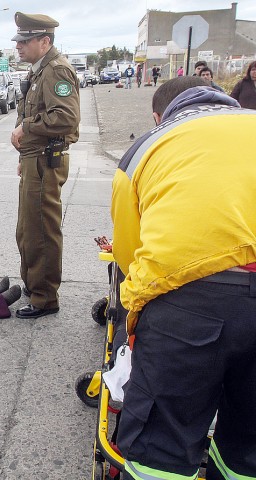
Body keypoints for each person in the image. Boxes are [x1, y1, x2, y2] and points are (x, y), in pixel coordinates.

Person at [111, 76, 256, 479]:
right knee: (249, 453)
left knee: (162, 454)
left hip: (188, 306)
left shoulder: (147, 147)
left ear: (160, 116)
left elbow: (129, 252)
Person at [10, 12, 80, 319]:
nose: (19, 47)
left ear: (44, 41)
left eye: (25, 41)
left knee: (41, 231)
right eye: (19, 41)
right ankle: (33, 284)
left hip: (46, 161)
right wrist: (23, 155)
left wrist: (26, 127)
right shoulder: (37, 71)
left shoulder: (56, 70)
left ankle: (44, 297)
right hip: (33, 160)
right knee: (27, 230)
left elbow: (65, 118)